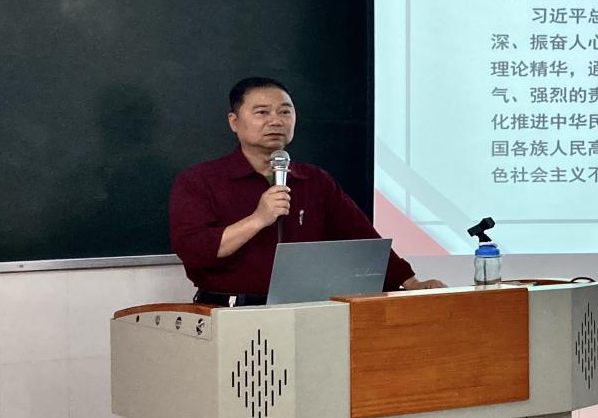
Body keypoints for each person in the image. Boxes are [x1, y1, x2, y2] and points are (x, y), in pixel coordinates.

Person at [169, 77, 444, 306]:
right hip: (229, 311)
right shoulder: (200, 180)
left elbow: (362, 239)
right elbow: (194, 250)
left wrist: (411, 282)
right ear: (234, 121)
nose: (276, 121)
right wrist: (258, 219)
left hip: (307, 311)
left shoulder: (314, 180)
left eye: (285, 112)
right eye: (262, 112)